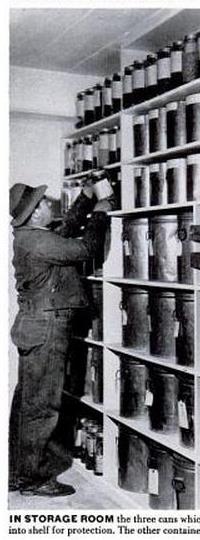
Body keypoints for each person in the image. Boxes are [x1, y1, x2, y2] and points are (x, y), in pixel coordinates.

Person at [9, 181, 111, 497]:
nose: (48, 204)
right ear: (34, 212)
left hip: (35, 325)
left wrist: (86, 197)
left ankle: (18, 471)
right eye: (42, 202)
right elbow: (85, 249)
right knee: (43, 405)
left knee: (28, 402)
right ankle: (34, 479)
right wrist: (102, 213)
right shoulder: (37, 242)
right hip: (47, 327)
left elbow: (64, 231)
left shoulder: (32, 237)